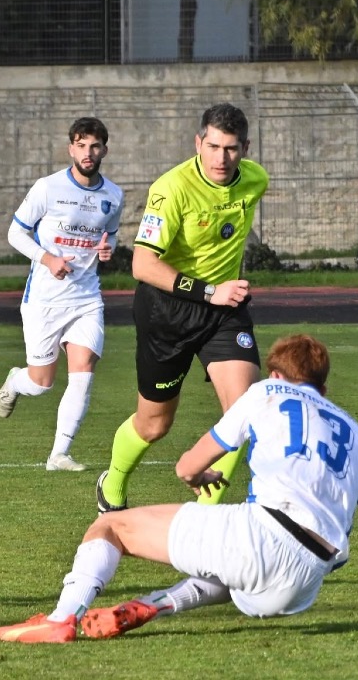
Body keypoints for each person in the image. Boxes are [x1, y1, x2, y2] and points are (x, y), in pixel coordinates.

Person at [0, 334, 358, 643]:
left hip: (263, 536)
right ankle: (155, 604)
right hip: (306, 581)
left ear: (276, 373)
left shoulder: (266, 391)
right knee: (232, 570)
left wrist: (197, 477)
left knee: (111, 526)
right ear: (324, 387)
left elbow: (188, 465)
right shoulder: (354, 431)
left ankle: (62, 619)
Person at [96, 102, 268, 511]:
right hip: (166, 311)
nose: (221, 158)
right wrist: (209, 291)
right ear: (198, 143)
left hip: (224, 312)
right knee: (154, 424)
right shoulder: (171, 188)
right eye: (213, 147)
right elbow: (142, 265)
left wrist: (219, 294)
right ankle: (112, 484)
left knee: (243, 415)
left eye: (231, 148)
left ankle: (203, 521)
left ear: (245, 148)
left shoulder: (255, 180)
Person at [0, 116, 124, 472]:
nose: (88, 152)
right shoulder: (47, 188)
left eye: (95, 146)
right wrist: (48, 259)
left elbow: (111, 236)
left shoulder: (113, 195)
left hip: (86, 298)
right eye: (81, 146)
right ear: (71, 149)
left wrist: (108, 249)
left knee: (83, 372)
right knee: (42, 383)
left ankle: (59, 454)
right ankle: (15, 381)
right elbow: (15, 233)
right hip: (45, 300)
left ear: (104, 150)